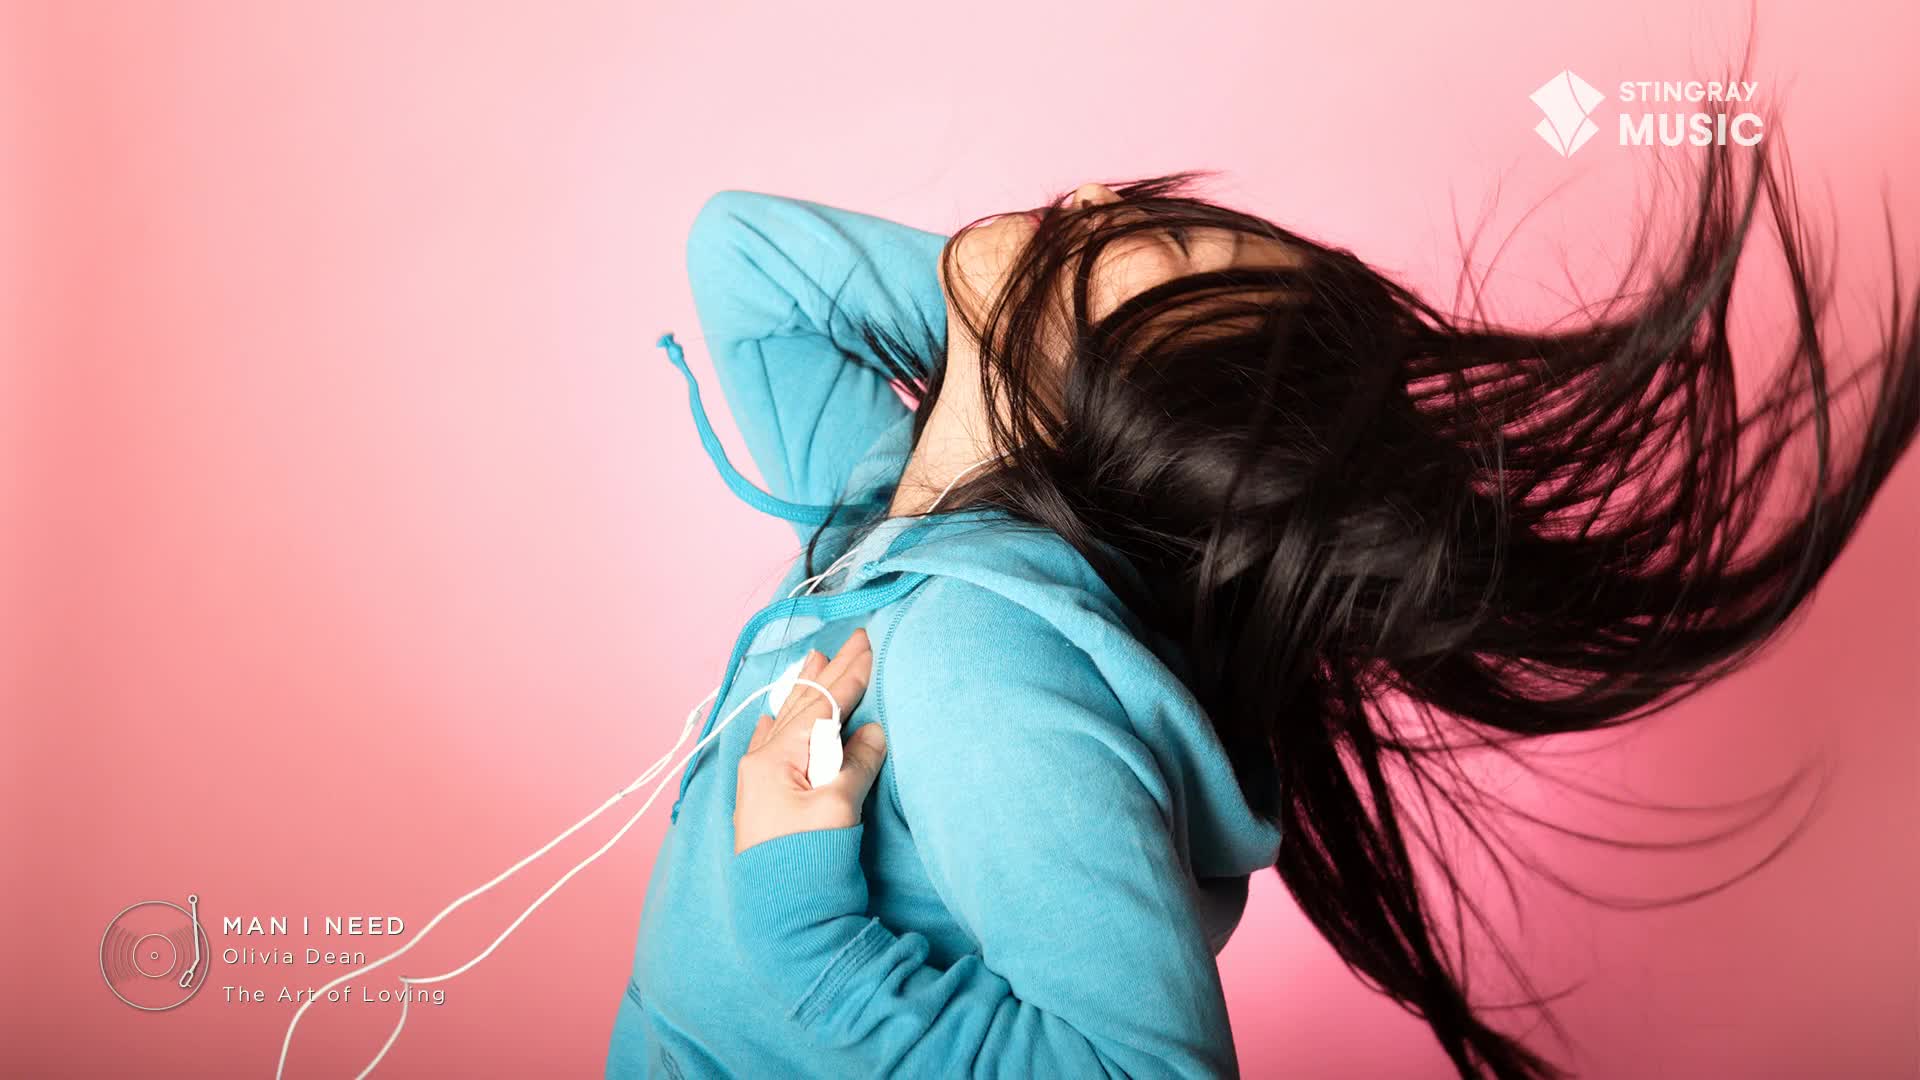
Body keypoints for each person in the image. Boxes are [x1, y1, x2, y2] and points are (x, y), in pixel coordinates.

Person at [605, 130, 1920, 1078]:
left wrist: (807, 938)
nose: (1110, 194)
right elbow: (746, 255)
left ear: (1137, 406)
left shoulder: (979, 665)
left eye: (1153, 242)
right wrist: (1001, 356)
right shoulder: (880, 512)